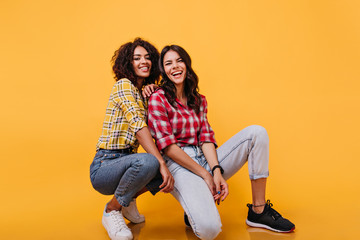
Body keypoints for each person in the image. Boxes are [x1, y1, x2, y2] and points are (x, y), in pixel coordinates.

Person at [146, 45, 295, 240]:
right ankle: (196, 208)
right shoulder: (158, 98)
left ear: (187, 64)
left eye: (179, 60)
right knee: (210, 230)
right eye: (168, 63)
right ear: (163, 71)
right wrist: (206, 175)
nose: (175, 66)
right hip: (179, 164)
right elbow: (168, 147)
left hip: (205, 158)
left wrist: (216, 171)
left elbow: (206, 138)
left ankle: (259, 211)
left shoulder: (198, 100)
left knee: (257, 133)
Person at [90, 38, 174, 240]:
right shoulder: (123, 85)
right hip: (105, 165)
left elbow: (157, 129)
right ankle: (112, 210)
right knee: (151, 161)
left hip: (128, 162)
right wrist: (160, 163)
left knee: (172, 162)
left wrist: (154, 93)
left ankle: (126, 201)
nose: (143, 62)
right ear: (128, 63)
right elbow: (138, 125)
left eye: (147, 58)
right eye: (137, 58)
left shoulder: (143, 92)